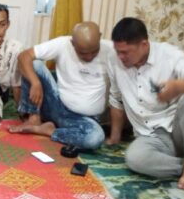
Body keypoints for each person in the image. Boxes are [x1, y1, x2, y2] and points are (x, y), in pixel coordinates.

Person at [106, 17, 184, 190]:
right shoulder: (114, 61)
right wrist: (115, 136)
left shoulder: (169, 55)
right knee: (135, 159)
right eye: (117, 51)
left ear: (144, 45)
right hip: (150, 136)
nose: (120, 57)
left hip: (180, 131)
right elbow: (116, 98)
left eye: (125, 52)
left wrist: (178, 86)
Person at [9, 22, 111, 151]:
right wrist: (35, 82)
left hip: (84, 120)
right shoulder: (62, 44)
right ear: (72, 43)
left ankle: (49, 131)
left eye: (94, 51)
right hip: (57, 106)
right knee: (35, 64)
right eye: (83, 53)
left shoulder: (112, 50)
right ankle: (33, 119)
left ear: (100, 37)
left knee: (95, 138)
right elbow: (24, 56)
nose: (89, 57)